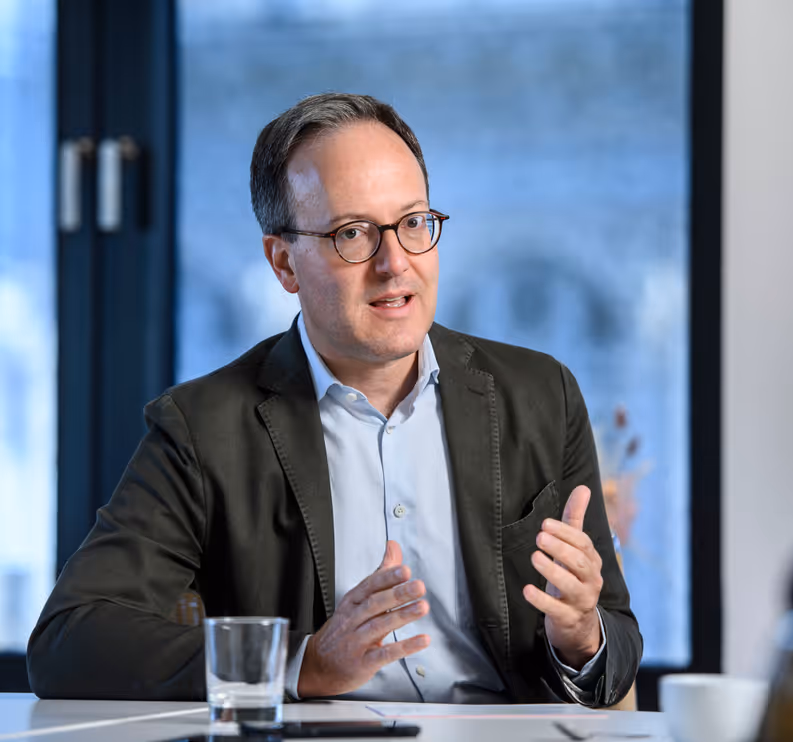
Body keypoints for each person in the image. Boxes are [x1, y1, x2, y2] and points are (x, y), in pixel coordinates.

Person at [27, 93, 642, 706]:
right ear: (284, 263)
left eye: (413, 224)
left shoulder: (540, 395)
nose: (395, 263)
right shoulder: (204, 428)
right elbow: (70, 641)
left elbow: (614, 644)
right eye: (353, 234)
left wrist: (581, 637)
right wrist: (303, 664)